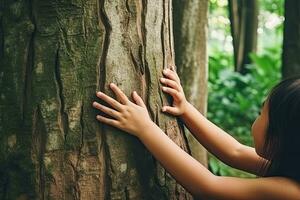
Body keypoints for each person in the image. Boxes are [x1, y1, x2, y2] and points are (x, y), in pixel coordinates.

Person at [92, 66, 300, 199]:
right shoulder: (288, 163)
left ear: (279, 136)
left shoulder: (290, 191)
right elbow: (234, 151)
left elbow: (208, 187)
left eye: (262, 112)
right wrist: (185, 109)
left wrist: (145, 128)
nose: (257, 117)